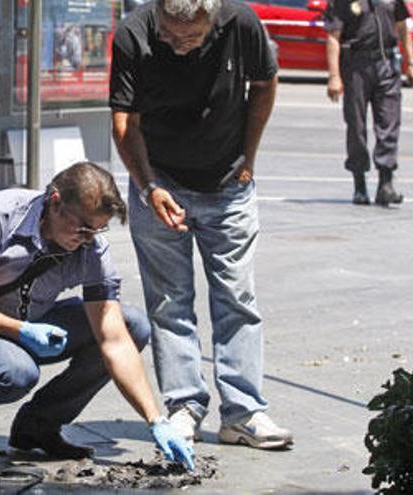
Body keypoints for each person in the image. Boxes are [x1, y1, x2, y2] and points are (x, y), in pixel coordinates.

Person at [0, 161, 194, 468]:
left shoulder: (92, 249)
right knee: (17, 373)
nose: (89, 238)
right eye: (83, 228)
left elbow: (114, 339)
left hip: (32, 322)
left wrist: (155, 420)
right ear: (55, 203)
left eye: (98, 229)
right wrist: (19, 329)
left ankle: (38, 427)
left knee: (132, 327)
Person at [110, 0, 292, 450]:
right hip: (159, 180)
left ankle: (243, 413)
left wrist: (248, 157)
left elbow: (265, 86)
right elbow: (123, 122)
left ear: (213, 20)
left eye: (190, 37)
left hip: (228, 182)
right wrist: (149, 186)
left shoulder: (242, 22)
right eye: (169, 35)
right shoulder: (133, 34)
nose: (178, 45)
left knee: (237, 298)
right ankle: (184, 407)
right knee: (170, 302)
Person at [324, 0, 413, 206]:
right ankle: (359, 186)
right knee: (356, 126)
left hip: (387, 65)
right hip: (356, 66)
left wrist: (411, 62)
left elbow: (403, 27)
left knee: (389, 123)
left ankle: (385, 184)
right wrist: (334, 76)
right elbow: (333, 37)